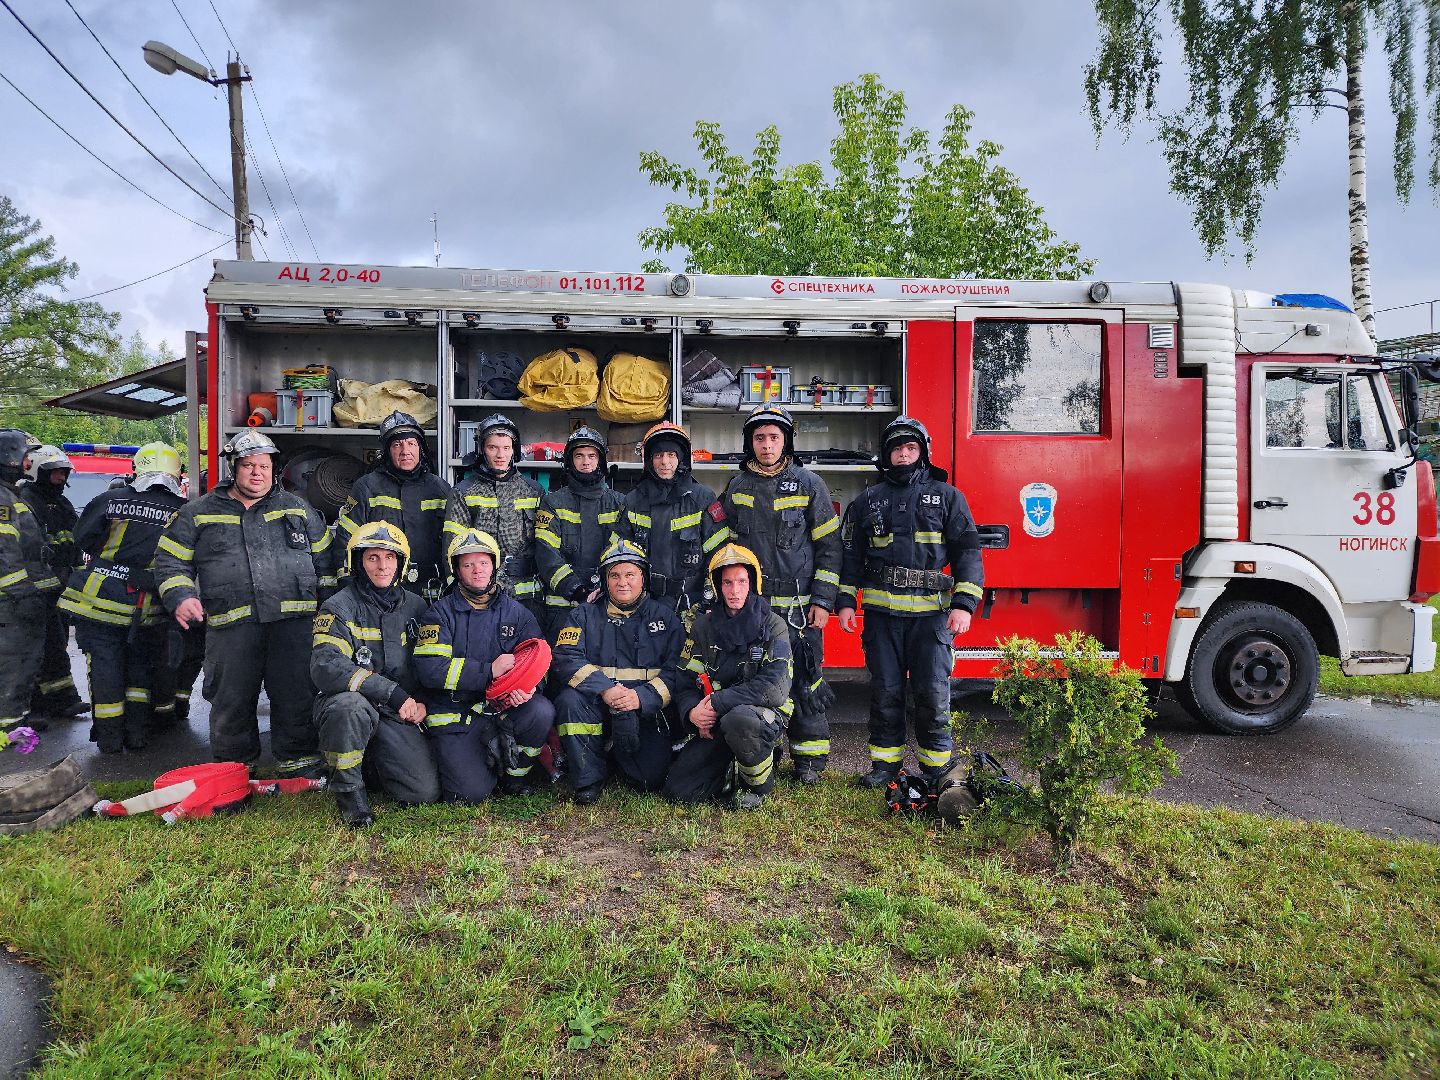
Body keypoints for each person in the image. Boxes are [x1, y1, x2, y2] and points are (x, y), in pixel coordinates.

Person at [152, 430, 338, 776]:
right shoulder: (199, 513)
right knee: (231, 700)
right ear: (232, 468)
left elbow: (327, 563)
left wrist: (326, 614)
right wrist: (181, 596)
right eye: (249, 465)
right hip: (230, 626)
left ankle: (299, 767)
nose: (257, 473)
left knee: (297, 695)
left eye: (264, 466)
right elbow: (169, 562)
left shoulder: (298, 509)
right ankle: (235, 771)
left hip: (294, 626)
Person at [837, 416, 985, 788]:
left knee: (932, 693)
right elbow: (851, 557)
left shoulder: (948, 496)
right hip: (883, 618)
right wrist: (843, 602)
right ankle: (885, 767)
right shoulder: (866, 502)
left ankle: (937, 768)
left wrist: (964, 605)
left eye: (910, 448)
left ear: (922, 452)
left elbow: (968, 553)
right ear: (886, 455)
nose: (903, 455)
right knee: (885, 691)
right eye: (896, 449)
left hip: (931, 619)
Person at [720, 404, 841, 784]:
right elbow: (725, 550)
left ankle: (810, 762)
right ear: (749, 443)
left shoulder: (810, 484)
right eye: (760, 438)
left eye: (774, 437)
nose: (767, 445)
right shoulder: (737, 488)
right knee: (758, 680)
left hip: (799, 609)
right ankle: (763, 753)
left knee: (805, 679)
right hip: (755, 608)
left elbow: (830, 548)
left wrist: (823, 601)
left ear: (786, 441)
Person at [57, 442, 185, 753]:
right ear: (176, 473)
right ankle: (137, 733)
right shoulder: (183, 511)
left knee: (104, 667)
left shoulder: (110, 499)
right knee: (141, 667)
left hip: (99, 600)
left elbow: (83, 539)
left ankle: (110, 738)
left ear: (136, 469)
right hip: (148, 605)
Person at [311, 521, 439, 827]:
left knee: (422, 792)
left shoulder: (417, 607)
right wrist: (391, 692)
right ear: (358, 562)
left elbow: (429, 664)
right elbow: (325, 666)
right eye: (372, 558)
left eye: (390, 557)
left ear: (401, 563)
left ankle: (370, 765)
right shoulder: (338, 607)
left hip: (398, 711)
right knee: (349, 708)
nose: (382, 566)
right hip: (357, 704)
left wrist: (422, 702)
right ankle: (349, 794)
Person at [413, 529, 555, 803]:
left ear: (494, 566)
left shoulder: (517, 613)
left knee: (540, 710)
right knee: (469, 794)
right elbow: (430, 669)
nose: (476, 570)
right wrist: (488, 670)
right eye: (467, 564)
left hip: (503, 707)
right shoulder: (439, 614)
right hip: (456, 713)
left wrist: (530, 687)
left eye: (483, 563)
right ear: (456, 570)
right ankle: (481, 764)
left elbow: (541, 662)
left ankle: (516, 778)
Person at [552, 538, 683, 804]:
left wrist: (640, 698)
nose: (622, 582)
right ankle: (588, 778)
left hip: (646, 710)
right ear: (605, 580)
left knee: (648, 780)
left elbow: (678, 670)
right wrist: (606, 689)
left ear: (643, 578)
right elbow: (566, 657)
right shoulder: (584, 615)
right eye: (614, 575)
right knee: (569, 701)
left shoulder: (666, 618)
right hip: (598, 703)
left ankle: (616, 755)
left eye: (630, 574)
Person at [664, 544, 794, 809]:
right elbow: (685, 679)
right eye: (727, 583)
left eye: (742, 582)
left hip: (760, 714)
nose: (735, 591)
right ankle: (730, 771)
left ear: (753, 583)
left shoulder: (773, 626)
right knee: (679, 790)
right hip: (717, 719)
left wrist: (717, 702)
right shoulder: (703, 626)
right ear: (717, 585)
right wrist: (692, 712)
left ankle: (758, 785)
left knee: (740, 719)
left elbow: (775, 689)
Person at [612, 422, 729, 617]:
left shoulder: (702, 499)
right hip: (644, 605)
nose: (665, 462)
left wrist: (710, 601)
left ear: (682, 458)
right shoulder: (633, 501)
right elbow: (618, 555)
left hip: (692, 604)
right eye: (658, 455)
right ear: (649, 460)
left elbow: (720, 555)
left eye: (671, 455)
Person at [336, 411, 452, 599]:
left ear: (420, 448)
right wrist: (350, 589)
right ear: (387, 451)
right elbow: (345, 541)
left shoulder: (439, 488)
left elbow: (452, 543)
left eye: (411, 443)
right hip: (381, 593)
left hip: (432, 591)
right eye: (397, 445)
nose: (405, 451)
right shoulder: (367, 487)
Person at [444, 413, 545, 619]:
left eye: (506, 448)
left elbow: (546, 546)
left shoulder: (534, 491)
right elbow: (452, 548)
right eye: (493, 448)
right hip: (482, 597)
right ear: (482, 449)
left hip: (528, 595)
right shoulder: (463, 492)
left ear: (514, 451)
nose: (500, 454)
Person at [534, 425, 624, 637]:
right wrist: (577, 590)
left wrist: (606, 590)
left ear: (601, 460)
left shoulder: (619, 503)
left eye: (592, 456)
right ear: (569, 461)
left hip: (609, 603)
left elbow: (623, 553)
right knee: (563, 665)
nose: (586, 462)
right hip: (562, 608)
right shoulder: (553, 503)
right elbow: (547, 555)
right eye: (579, 456)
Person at [19, 445, 88, 720]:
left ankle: (62, 699)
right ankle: (33, 705)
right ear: (38, 472)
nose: (60, 478)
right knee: (34, 647)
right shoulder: (25, 501)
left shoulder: (62, 503)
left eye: (63, 473)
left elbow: (77, 538)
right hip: (33, 588)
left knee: (55, 643)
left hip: (59, 586)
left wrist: (79, 577)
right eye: (55, 473)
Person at [0, 429, 61, 733]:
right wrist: (22, 591)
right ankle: (8, 728)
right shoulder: (3, 498)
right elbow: (4, 550)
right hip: (10, 599)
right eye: (25, 457)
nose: (28, 464)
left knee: (25, 660)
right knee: (13, 661)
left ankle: (16, 719)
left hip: (19, 595)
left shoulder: (10, 494)